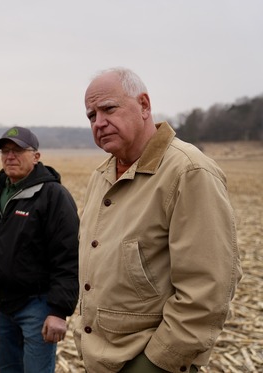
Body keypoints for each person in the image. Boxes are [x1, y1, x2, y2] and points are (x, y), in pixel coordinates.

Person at [74, 67, 242, 373]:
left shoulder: (188, 172)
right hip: (100, 360)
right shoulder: (101, 177)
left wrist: (155, 363)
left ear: (144, 105)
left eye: (109, 108)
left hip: (148, 363)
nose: (99, 122)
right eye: (91, 115)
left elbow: (208, 289)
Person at [0, 126, 80, 373]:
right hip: (1, 308)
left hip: (36, 307)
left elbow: (68, 256)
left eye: (18, 150)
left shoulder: (53, 196)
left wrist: (59, 311)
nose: (10, 156)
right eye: (5, 151)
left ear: (36, 156)